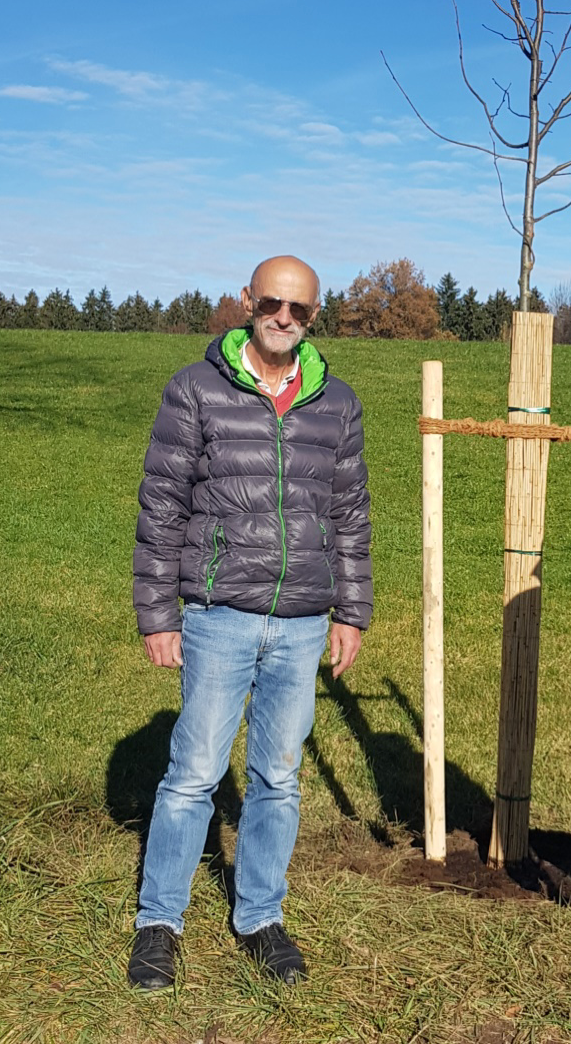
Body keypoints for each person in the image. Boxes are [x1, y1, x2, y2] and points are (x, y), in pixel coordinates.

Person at [127, 255, 372, 991]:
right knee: (193, 776)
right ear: (246, 300)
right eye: (273, 303)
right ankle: (158, 924)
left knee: (278, 778)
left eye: (301, 311)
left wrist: (352, 609)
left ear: (314, 316)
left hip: (300, 622)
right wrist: (157, 613)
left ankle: (260, 917)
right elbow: (161, 505)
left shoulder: (336, 402)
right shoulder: (195, 389)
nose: (284, 319)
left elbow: (349, 513)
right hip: (216, 617)